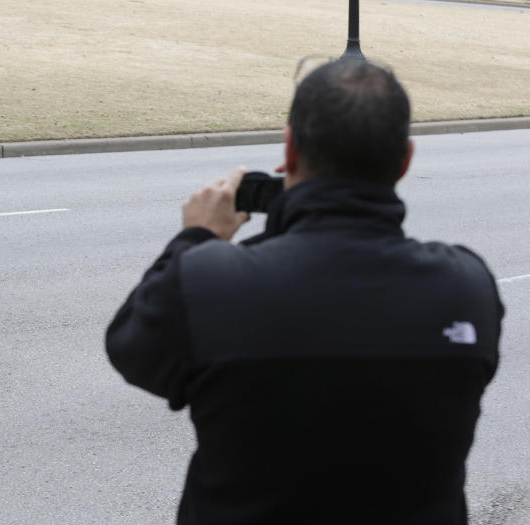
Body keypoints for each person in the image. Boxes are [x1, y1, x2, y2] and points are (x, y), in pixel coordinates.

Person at [105, 59, 503, 524]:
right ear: (405, 160)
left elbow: (131, 347)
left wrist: (196, 238)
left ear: (290, 150)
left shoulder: (212, 281)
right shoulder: (466, 288)